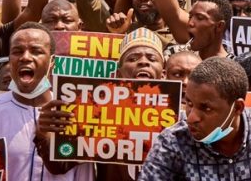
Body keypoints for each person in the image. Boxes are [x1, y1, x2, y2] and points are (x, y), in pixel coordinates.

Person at [139, 57, 251, 180]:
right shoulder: (173, 142)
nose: (191, 117)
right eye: (190, 103)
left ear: (237, 108)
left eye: (205, 108)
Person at [37, 27, 166, 181]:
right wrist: (44, 133)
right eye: (133, 59)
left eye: (152, 59)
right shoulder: (97, 115)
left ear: (163, 74)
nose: (143, 62)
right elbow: (59, 166)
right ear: (118, 74)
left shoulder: (180, 119)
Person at [0, 22, 93, 180]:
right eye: (17, 51)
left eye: (36, 51)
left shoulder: (75, 114)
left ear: (52, 62)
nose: (25, 57)